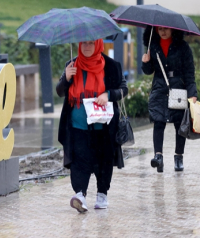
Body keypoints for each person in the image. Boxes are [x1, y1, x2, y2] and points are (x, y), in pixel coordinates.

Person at [56, 39, 128, 213]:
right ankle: (80, 195)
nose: (86, 47)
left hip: (103, 126)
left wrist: (108, 94)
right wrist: (66, 77)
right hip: (78, 125)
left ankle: (102, 194)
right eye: (83, 43)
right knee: (79, 161)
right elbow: (59, 91)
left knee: (103, 161)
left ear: (98, 44)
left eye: (90, 43)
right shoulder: (71, 65)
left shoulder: (111, 66)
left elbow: (123, 89)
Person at [142, 26, 197, 173]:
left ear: (173, 30)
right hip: (159, 88)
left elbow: (189, 73)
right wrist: (146, 62)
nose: (163, 32)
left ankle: (178, 157)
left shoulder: (183, 47)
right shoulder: (153, 46)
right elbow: (149, 71)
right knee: (158, 121)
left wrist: (193, 94)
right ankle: (158, 156)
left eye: (166, 29)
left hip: (178, 88)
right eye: (160, 29)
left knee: (180, 124)